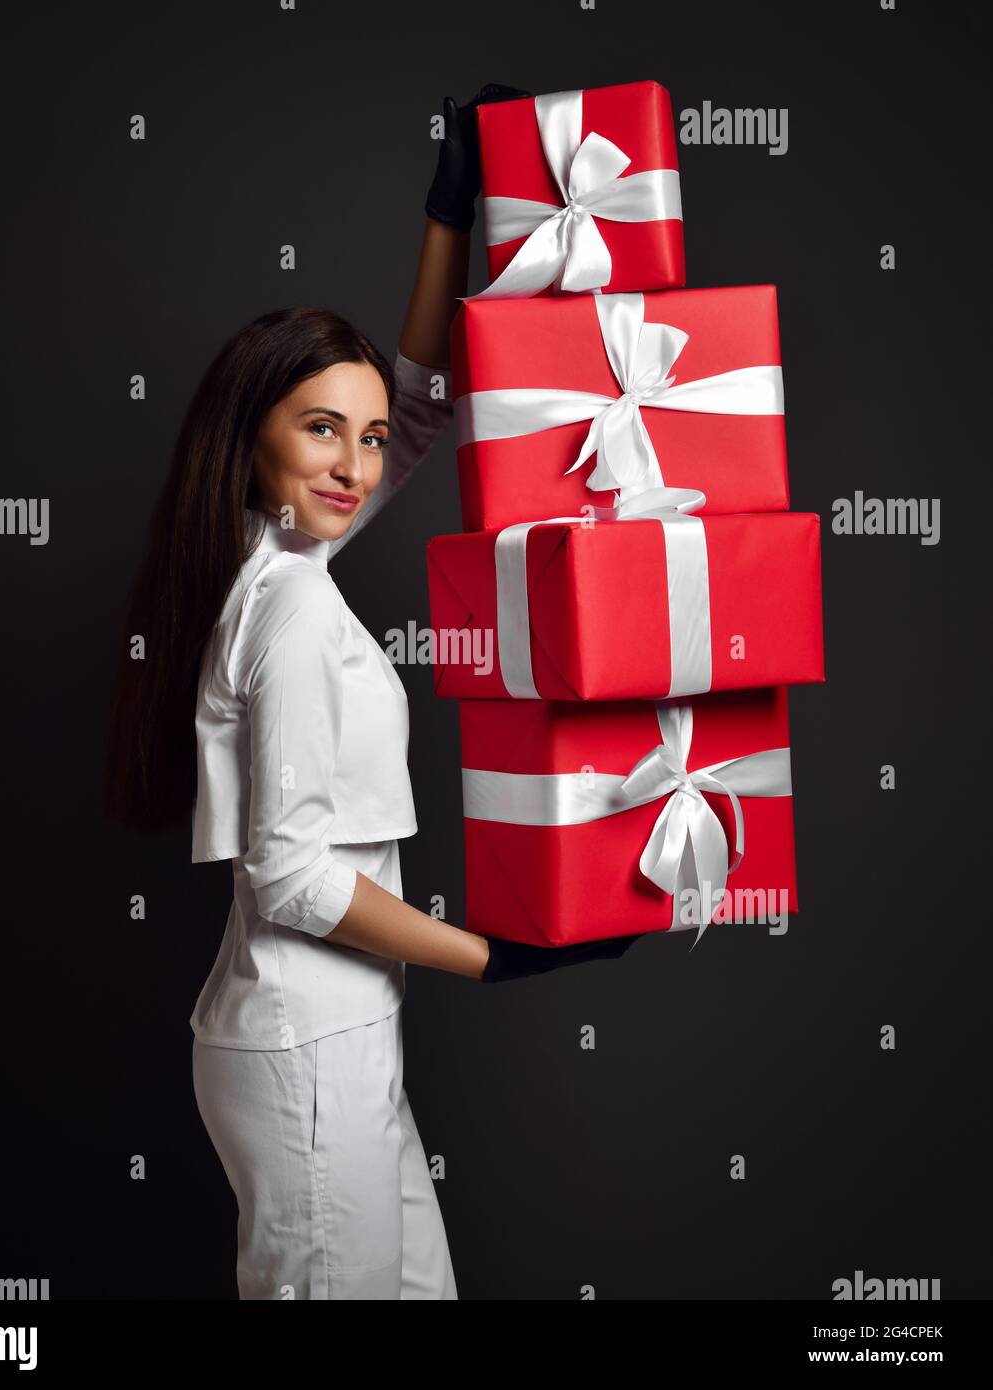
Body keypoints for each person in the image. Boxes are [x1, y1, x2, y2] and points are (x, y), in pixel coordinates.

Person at [103, 85, 640, 1302]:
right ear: (255, 441)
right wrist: (488, 959)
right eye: (318, 433)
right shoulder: (285, 602)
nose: (353, 466)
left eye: (360, 434)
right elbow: (289, 877)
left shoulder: (274, 554)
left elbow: (422, 418)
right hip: (306, 1055)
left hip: (333, 1044)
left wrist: (450, 209)